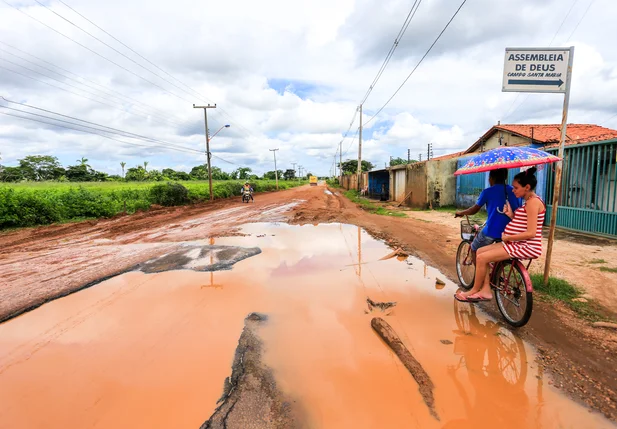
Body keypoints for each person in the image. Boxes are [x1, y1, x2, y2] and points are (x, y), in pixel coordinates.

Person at [455, 167, 545, 302]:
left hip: (523, 245)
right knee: (479, 251)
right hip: (516, 243)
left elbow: (531, 233)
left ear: (527, 187)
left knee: (481, 257)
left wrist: (508, 237)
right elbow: (523, 223)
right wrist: (511, 214)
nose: (512, 190)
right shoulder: (528, 202)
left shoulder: (533, 203)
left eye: (515, 188)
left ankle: (475, 290)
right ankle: (485, 289)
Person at [455, 168, 520, 256]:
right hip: (510, 232)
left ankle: (481, 269)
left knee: (474, 249)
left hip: (492, 231)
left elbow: (474, 209)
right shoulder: (514, 191)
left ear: (491, 178)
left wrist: (461, 213)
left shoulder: (487, 192)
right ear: (505, 177)